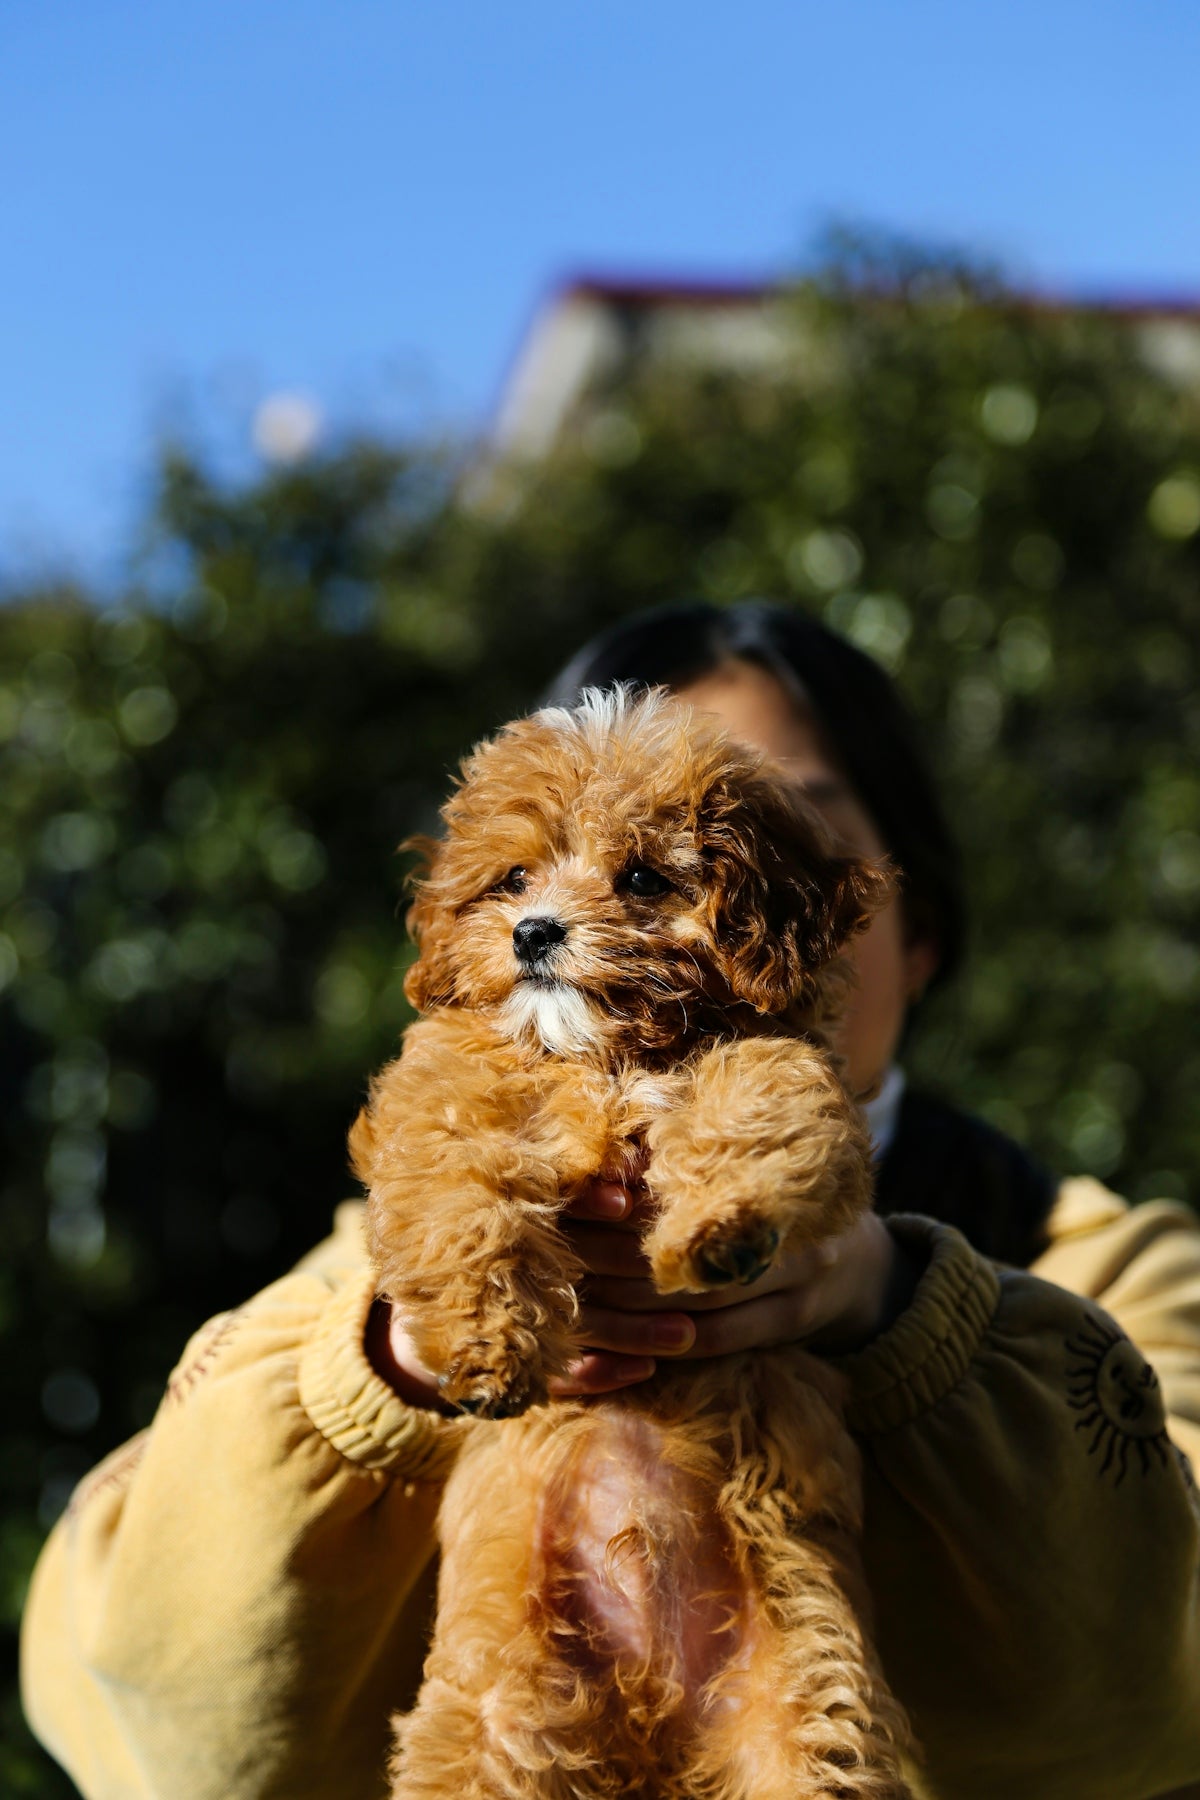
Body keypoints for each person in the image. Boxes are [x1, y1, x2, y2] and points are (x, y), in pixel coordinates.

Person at [21, 600, 1200, 1800]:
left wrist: (894, 1311)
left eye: (661, 872)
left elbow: (1167, 1678)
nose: (560, 916)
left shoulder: (1107, 1260)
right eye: (525, 868)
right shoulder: (353, 1266)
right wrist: (395, 1360)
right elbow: (120, 1672)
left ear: (909, 914)